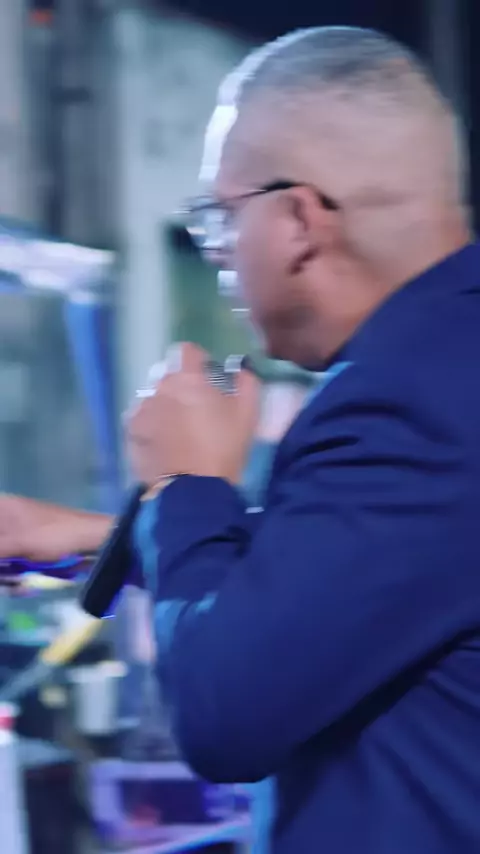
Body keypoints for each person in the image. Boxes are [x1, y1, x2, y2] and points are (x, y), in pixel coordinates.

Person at [123, 26, 480, 854]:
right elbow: (378, 575)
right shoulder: (446, 360)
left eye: (219, 217)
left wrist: (185, 484)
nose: (217, 252)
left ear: (297, 221)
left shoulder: (406, 399)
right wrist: (102, 537)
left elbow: (226, 715)